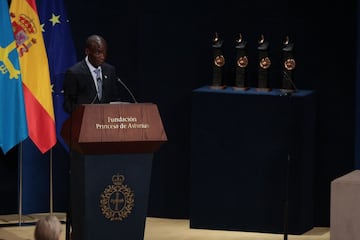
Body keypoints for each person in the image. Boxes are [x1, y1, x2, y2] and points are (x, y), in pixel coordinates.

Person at [63, 34, 123, 113]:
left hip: (107, 122)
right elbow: (68, 105)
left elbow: (115, 99)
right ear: (87, 52)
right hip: (85, 122)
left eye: (104, 52)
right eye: (98, 52)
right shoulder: (74, 73)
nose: (102, 56)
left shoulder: (110, 70)